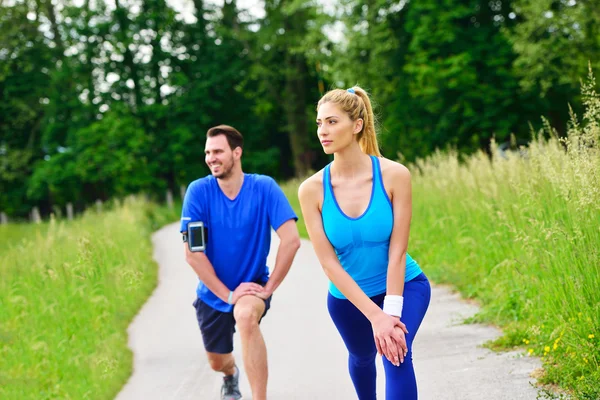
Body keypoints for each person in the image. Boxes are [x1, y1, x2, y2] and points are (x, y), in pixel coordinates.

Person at [298, 87, 431, 399]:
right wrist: (375, 317)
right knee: (361, 358)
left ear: (357, 124)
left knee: (396, 354)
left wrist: (391, 316)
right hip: (348, 301)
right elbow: (329, 264)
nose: (322, 131)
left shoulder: (395, 175)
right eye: (319, 123)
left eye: (332, 122)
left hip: (403, 286)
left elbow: (398, 252)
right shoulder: (311, 190)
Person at [181, 124, 301, 400]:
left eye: (218, 151)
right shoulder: (198, 192)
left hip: (252, 286)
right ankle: (230, 375)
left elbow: (291, 240)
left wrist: (268, 288)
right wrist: (228, 294)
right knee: (217, 361)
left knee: (246, 316)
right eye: (208, 152)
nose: (212, 157)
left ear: (237, 152)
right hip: (212, 293)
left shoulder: (264, 187)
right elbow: (193, 254)